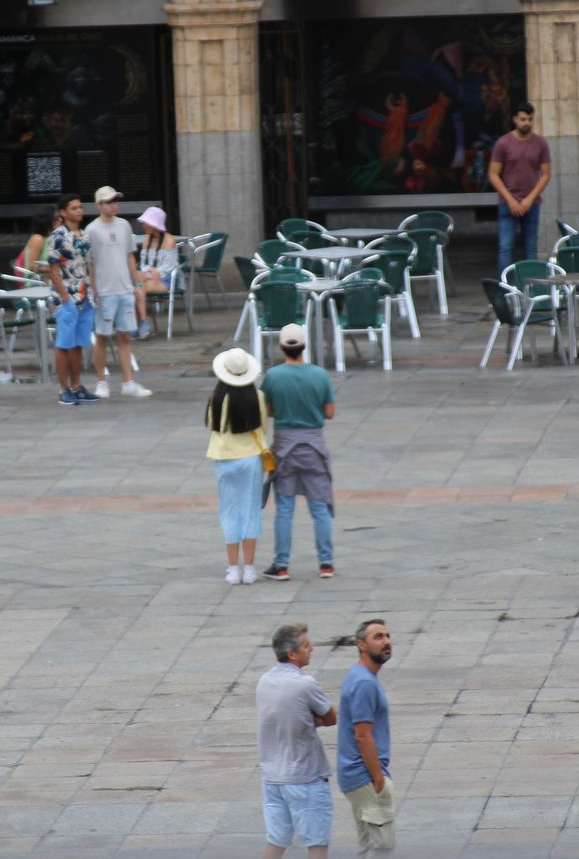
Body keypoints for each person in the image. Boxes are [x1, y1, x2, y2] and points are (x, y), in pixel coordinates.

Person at [261, 324, 336, 581]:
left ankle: (281, 565)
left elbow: (267, 409)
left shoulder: (273, 376)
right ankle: (326, 563)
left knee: (284, 508)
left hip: (284, 447)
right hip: (314, 446)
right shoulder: (320, 375)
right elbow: (329, 413)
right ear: (304, 346)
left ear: (282, 347)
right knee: (320, 507)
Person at [257, 622, 336, 859]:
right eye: (306, 645)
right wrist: (314, 720)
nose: (311, 648)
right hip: (305, 776)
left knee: (276, 841)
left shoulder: (264, 681)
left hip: (272, 776)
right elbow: (331, 716)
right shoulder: (305, 684)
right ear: (292, 654)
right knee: (317, 843)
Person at [206, 347, 267, 585]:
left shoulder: (218, 397)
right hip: (252, 456)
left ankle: (233, 568)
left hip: (225, 457)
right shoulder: (257, 397)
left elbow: (213, 424)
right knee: (251, 510)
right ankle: (250, 568)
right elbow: (262, 427)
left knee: (229, 511)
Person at [85, 185, 152, 399]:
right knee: (102, 336)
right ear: (99, 205)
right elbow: (90, 263)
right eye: (108, 201)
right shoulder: (92, 230)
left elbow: (130, 256)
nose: (114, 205)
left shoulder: (124, 226)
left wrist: (137, 285)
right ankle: (102, 382)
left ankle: (128, 381)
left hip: (124, 289)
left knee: (125, 336)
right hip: (104, 291)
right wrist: (93, 290)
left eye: (115, 201)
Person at [338, 618, 396, 856]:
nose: (387, 642)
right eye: (378, 637)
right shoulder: (364, 683)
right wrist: (378, 779)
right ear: (362, 645)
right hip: (365, 777)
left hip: (356, 775)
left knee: (367, 846)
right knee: (382, 847)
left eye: (387, 636)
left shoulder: (359, 674)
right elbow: (363, 736)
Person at [488, 102, 552, 277]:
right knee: (505, 247)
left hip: (532, 203)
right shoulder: (503, 143)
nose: (527, 123)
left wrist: (529, 199)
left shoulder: (540, 143)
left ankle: (531, 289)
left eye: (530, 119)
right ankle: (504, 289)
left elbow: (545, 174)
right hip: (507, 203)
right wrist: (510, 200)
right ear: (515, 119)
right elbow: (493, 174)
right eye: (523, 119)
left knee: (531, 247)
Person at [47, 193, 99, 405]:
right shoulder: (58, 236)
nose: (79, 211)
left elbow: (89, 264)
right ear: (63, 212)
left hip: (85, 295)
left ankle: (77, 386)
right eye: (74, 208)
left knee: (79, 343)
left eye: (80, 207)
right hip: (67, 297)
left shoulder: (85, 235)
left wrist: (93, 289)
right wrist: (65, 296)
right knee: (64, 344)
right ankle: (63, 388)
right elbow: (53, 268)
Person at [133, 205, 178, 339]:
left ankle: (138, 324)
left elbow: (168, 268)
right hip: (147, 279)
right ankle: (143, 322)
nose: (143, 225)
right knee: (137, 283)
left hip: (165, 280)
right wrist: (149, 272)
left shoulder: (169, 241)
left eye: (145, 223)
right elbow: (143, 263)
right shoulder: (147, 240)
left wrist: (153, 271)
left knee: (136, 286)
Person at [16, 207, 58, 278]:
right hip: (36, 282)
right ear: (48, 221)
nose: (61, 220)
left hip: (51, 279)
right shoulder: (37, 239)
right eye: (57, 218)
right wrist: (54, 269)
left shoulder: (54, 238)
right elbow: (31, 266)